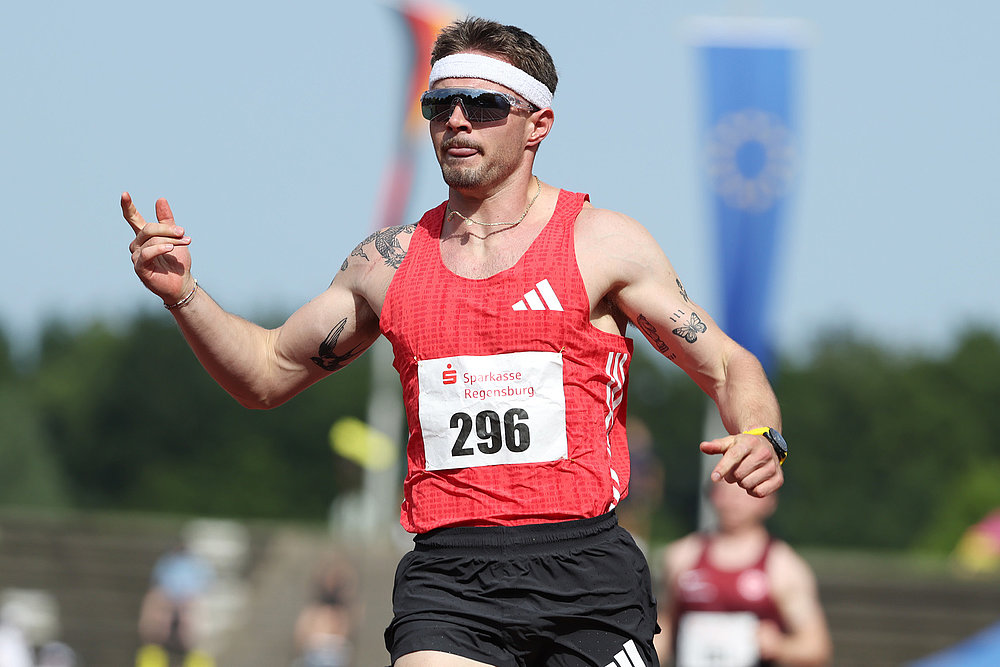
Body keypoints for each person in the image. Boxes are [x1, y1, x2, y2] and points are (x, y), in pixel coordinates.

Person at [122, 16, 786, 667]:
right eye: (440, 104)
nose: (458, 120)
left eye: (483, 104)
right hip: (450, 578)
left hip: (586, 573)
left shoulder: (602, 243)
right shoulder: (387, 262)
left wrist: (760, 434)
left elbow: (728, 365)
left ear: (538, 124)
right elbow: (266, 373)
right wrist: (183, 294)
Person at [655, 481, 831, 667]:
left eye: (744, 493)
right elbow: (663, 628)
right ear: (712, 496)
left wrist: (779, 646)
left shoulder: (784, 566)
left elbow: (817, 649)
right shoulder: (682, 557)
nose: (733, 501)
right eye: (725, 491)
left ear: (769, 500)